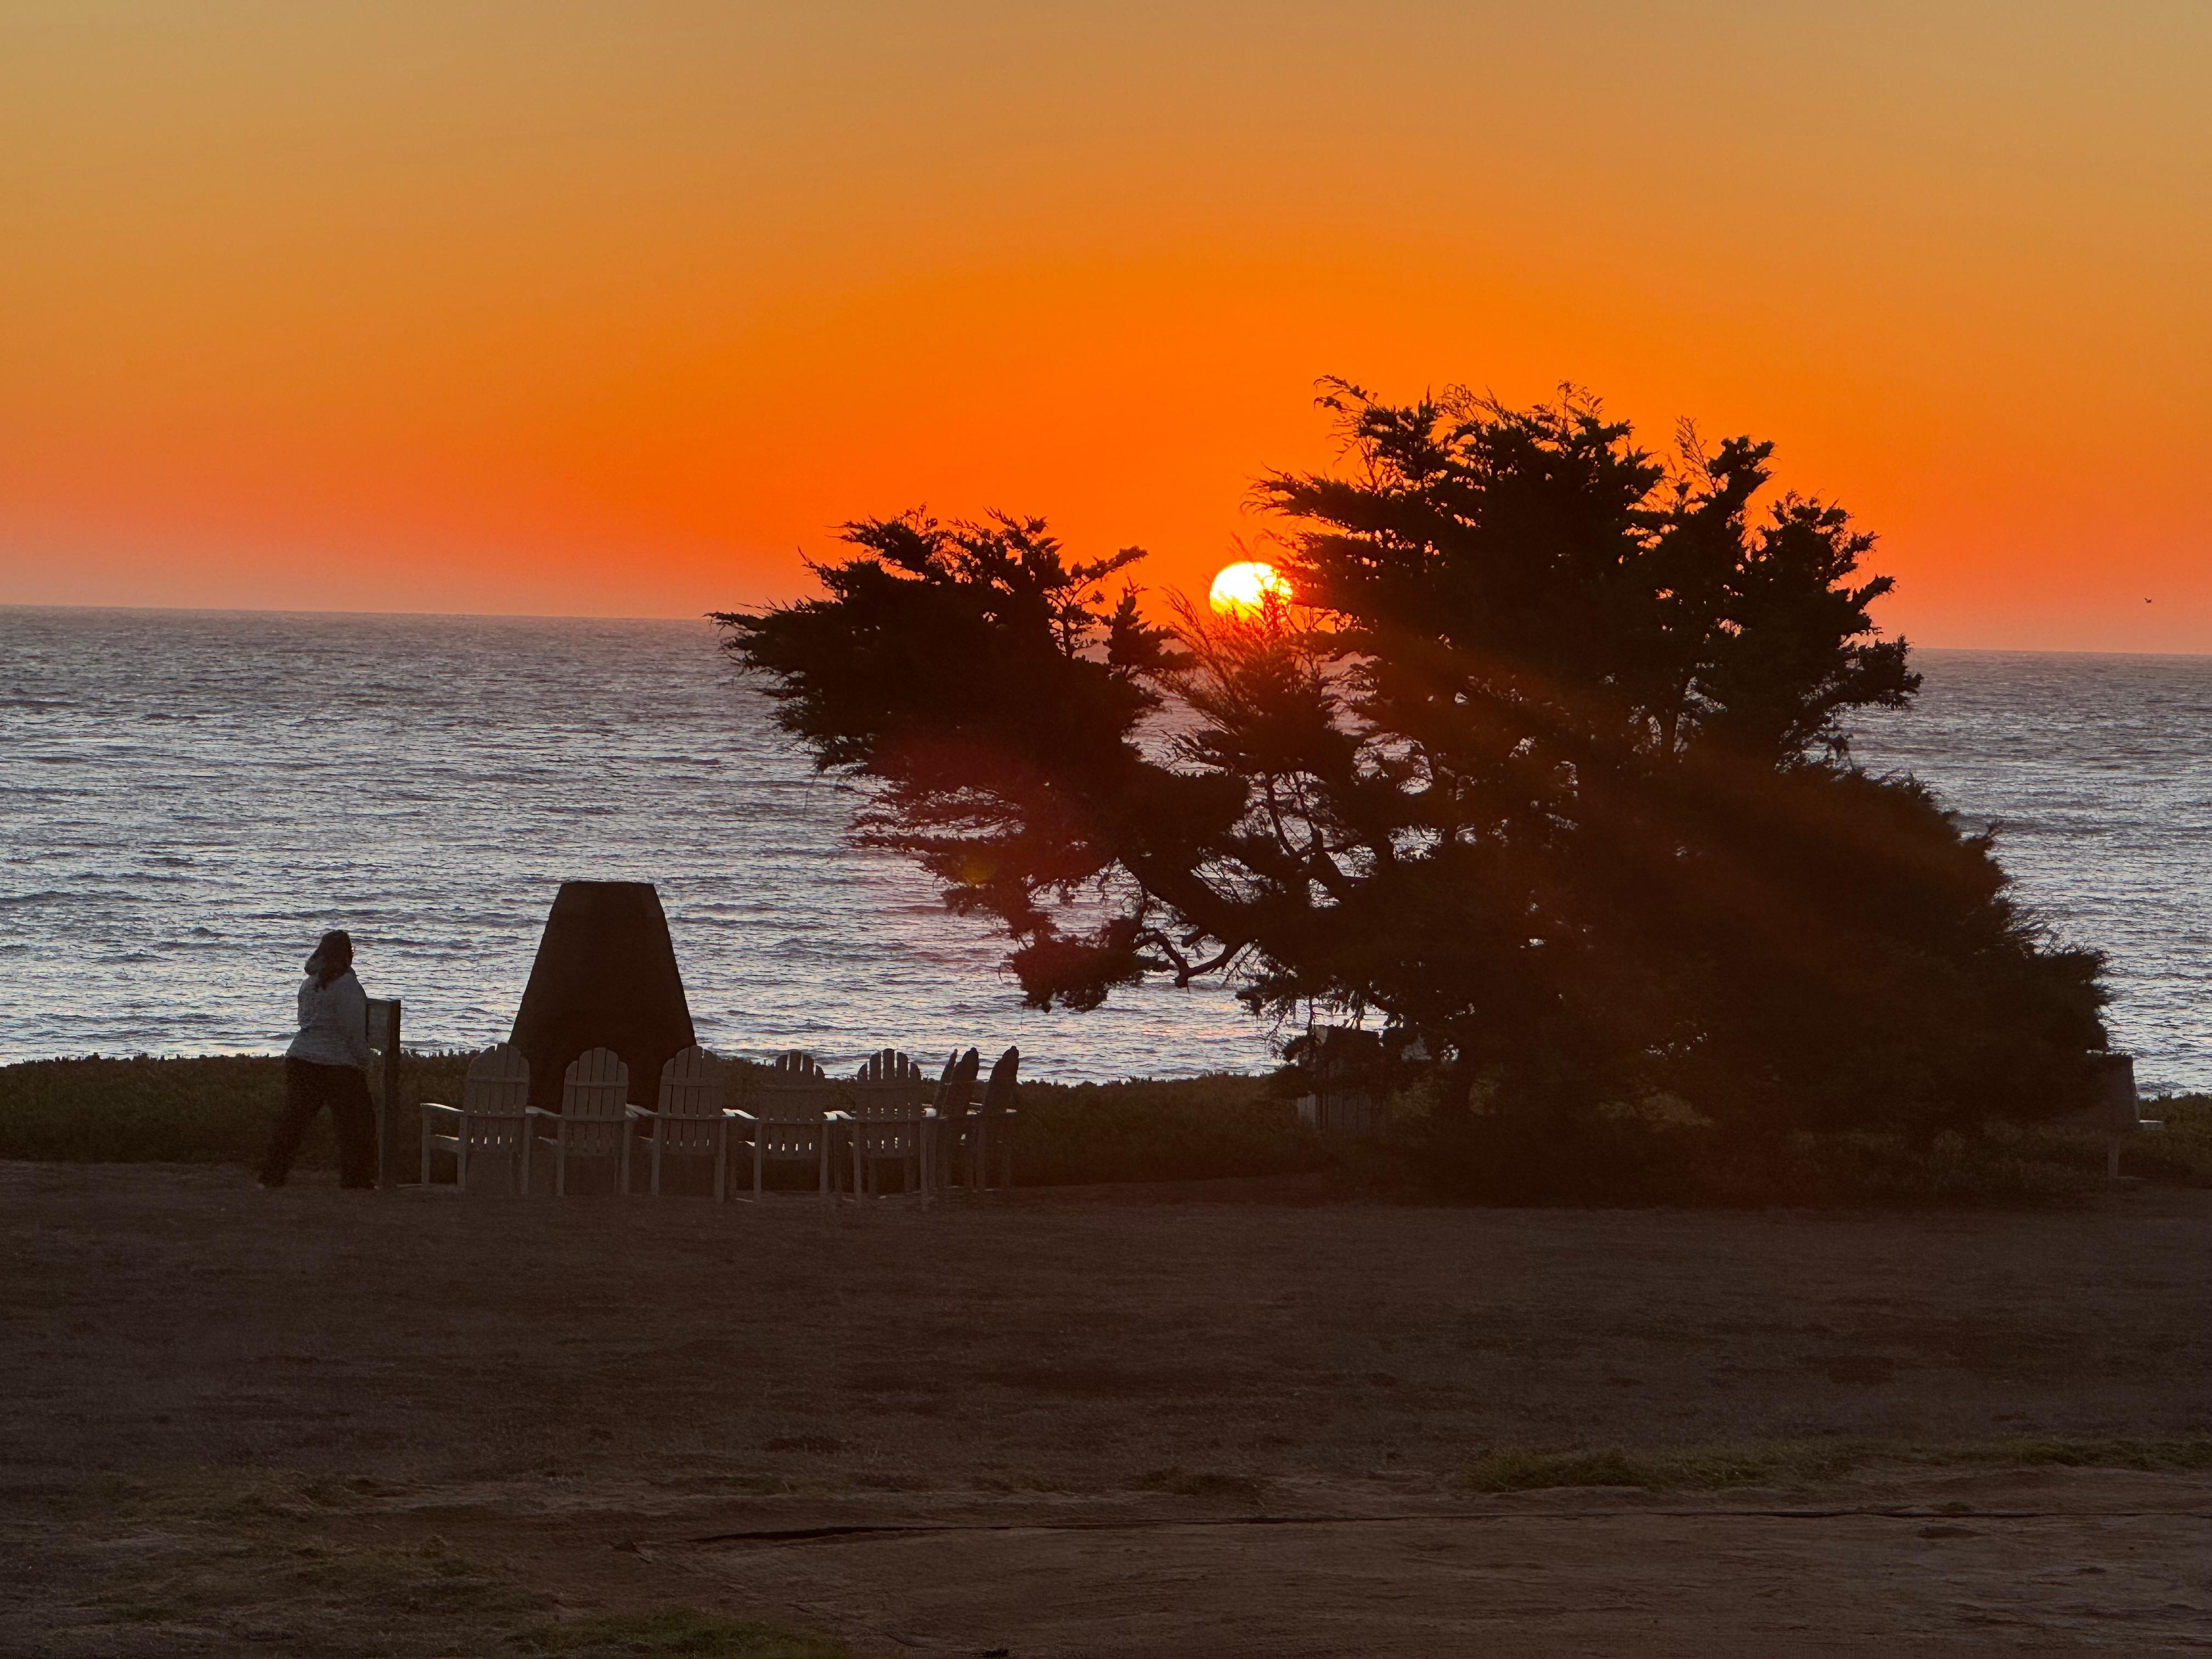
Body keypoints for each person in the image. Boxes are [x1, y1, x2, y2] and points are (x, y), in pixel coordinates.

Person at [259, 929, 378, 1188]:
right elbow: (353, 1030)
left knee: (292, 1123)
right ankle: (356, 1180)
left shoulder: (309, 984)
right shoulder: (347, 985)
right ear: (348, 954)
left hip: (302, 1057)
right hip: (338, 1065)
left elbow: (305, 1021)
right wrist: (364, 1061)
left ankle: (271, 1176)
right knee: (358, 1125)